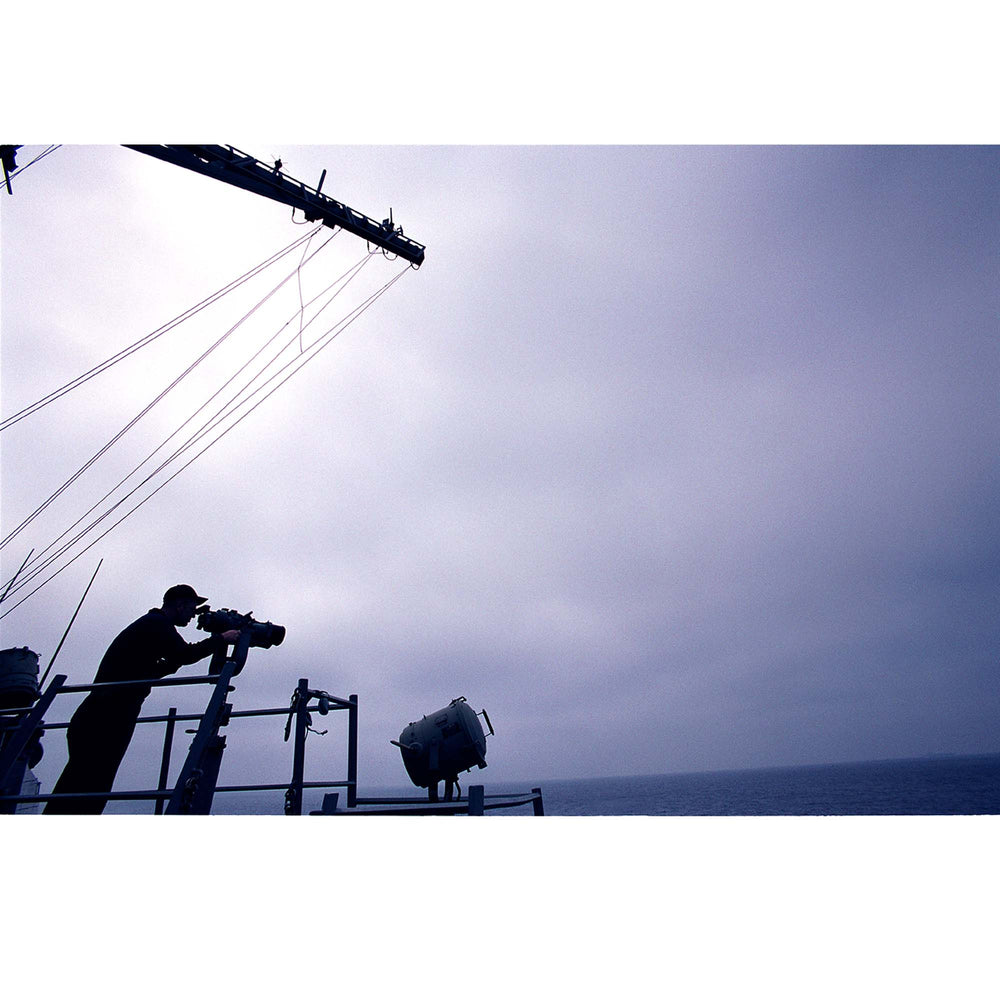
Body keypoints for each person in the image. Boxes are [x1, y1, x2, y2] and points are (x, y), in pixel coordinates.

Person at [44, 584, 240, 814]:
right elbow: (185, 654)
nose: (192, 616)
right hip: (108, 715)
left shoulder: (151, 625)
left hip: (102, 713)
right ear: (180, 605)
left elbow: (151, 669)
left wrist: (176, 661)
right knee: (88, 789)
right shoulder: (157, 624)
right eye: (191, 609)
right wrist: (221, 639)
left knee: (82, 786)